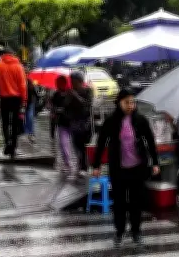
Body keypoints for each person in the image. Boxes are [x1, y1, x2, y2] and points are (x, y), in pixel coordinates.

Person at [92, 89, 160, 247]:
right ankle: (119, 231)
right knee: (120, 202)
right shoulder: (111, 121)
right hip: (118, 169)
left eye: (132, 102)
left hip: (137, 168)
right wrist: (96, 165)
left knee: (136, 202)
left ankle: (136, 231)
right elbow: (101, 143)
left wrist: (155, 163)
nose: (130, 105)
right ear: (119, 103)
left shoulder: (140, 120)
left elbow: (150, 141)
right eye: (126, 102)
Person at [0, 49, 27, 158]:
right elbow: (22, 85)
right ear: (13, 54)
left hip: (4, 99)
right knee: (15, 124)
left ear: (3, 55)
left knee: (5, 123)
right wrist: (24, 100)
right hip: (16, 99)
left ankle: (7, 142)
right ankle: (14, 147)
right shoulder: (19, 67)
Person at [66, 72, 93, 170]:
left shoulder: (88, 91)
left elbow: (87, 105)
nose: (73, 84)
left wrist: (76, 96)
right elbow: (66, 107)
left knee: (84, 146)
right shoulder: (70, 92)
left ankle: (84, 166)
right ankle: (81, 163)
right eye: (72, 82)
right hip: (74, 123)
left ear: (81, 82)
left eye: (75, 82)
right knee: (76, 145)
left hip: (85, 123)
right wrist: (68, 96)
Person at [24, 77, 38, 144]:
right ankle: (28, 131)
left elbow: (36, 96)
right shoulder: (23, 85)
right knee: (27, 118)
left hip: (30, 104)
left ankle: (31, 133)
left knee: (30, 118)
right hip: (24, 105)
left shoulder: (32, 86)